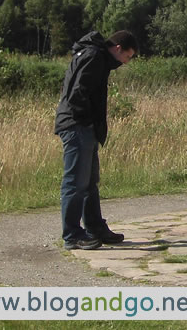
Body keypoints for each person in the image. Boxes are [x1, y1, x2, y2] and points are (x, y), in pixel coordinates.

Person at [53, 30, 137, 250]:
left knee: (89, 183)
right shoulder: (94, 57)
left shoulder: (95, 56)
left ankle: (94, 228)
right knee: (75, 183)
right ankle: (72, 234)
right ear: (118, 48)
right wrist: (87, 122)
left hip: (83, 127)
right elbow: (77, 93)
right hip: (77, 126)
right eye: (127, 57)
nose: (125, 63)